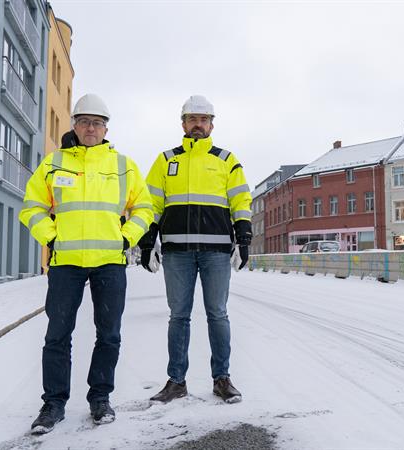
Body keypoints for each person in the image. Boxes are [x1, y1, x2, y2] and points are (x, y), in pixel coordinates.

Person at [20, 93, 154, 434]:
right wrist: (51, 237)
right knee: (57, 335)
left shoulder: (123, 165)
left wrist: (127, 237)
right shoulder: (54, 163)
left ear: (106, 128)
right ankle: (53, 404)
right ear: (75, 126)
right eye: (84, 122)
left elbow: (145, 208)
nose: (90, 128)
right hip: (66, 263)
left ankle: (100, 399)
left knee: (108, 335)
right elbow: (31, 206)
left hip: (110, 262)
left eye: (97, 123)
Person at [138, 95, 252, 405]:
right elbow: (151, 204)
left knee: (218, 315)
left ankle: (222, 379)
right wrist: (148, 241)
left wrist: (244, 235)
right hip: (177, 252)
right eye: (192, 119)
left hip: (216, 252)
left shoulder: (226, 160)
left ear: (212, 124)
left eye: (203, 119)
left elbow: (240, 201)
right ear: (183, 124)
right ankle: (176, 382)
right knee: (179, 316)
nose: (198, 124)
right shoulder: (166, 160)